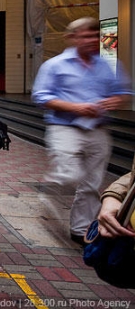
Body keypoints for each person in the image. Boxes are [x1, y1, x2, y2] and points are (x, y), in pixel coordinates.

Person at [31, 17, 132, 245]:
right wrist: (75, 107)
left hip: (98, 129)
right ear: (72, 38)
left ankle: (80, 230)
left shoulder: (107, 65)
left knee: (92, 184)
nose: (92, 40)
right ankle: (50, 190)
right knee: (71, 175)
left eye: (95, 36)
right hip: (65, 127)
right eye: (86, 35)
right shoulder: (55, 65)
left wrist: (115, 101)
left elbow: (125, 93)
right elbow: (40, 96)